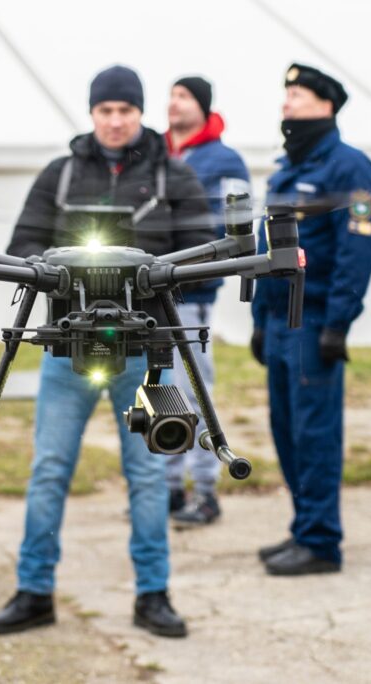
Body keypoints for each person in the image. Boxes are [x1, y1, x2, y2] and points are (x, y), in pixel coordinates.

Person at [0, 65, 214, 638]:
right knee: (49, 469)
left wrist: (152, 280)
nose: (115, 121)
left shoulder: (174, 175)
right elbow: (23, 248)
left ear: (141, 114)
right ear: (92, 114)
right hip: (66, 352)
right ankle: (34, 590)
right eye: (105, 110)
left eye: (126, 110)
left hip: (145, 355)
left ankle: (153, 595)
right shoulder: (60, 175)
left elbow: (204, 255)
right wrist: (58, 272)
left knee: (148, 473)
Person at [251, 64, 371, 575]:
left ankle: (322, 541)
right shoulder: (286, 167)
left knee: (314, 431)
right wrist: (261, 318)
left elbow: (358, 249)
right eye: (285, 92)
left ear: (327, 105)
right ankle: (304, 527)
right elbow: (269, 250)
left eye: (298, 94)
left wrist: (339, 323)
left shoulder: (351, 169)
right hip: (282, 318)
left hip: (316, 319)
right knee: (285, 427)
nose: (287, 102)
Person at [163, 75, 251, 527]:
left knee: (194, 394)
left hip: (190, 297)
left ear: (202, 105)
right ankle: (170, 489)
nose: (173, 104)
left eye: (183, 96)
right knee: (160, 398)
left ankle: (207, 491)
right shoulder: (155, 154)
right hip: (147, 300)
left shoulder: (223, 159)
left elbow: (234, 224)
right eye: (171, 95)